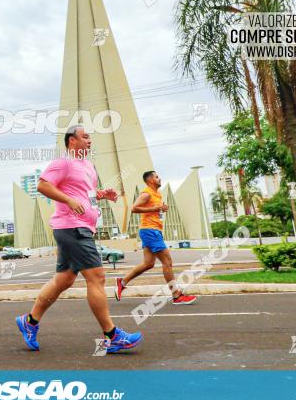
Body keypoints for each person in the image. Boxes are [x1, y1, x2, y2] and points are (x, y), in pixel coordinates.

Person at [15, 125, 142, 353]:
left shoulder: (88, 167)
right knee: (97, 277)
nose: (89, 141)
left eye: (90, 138)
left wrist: (102, 194)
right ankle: (112, 336)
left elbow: (85, 195)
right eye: (85, 137)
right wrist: (69, 201)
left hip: (81, 227)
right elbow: (43, 185)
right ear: (71, 141)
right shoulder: (63, 163)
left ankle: (30, 322)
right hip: (72, 227)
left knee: (63, 280)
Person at [115, 170, 197, 305]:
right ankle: (176, 295)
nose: (160, 178)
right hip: (150, 230)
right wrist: (156, 208)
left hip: (153, 230)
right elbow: (134, 208)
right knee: (167, 262)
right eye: (157, 177)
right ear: (150, 180)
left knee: (149, 263)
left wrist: (161, 208)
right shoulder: (146, 193)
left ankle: (122, 282)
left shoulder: (157, 194)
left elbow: (155, 208)